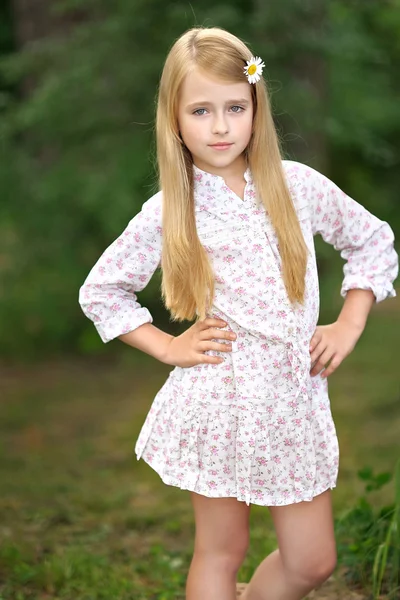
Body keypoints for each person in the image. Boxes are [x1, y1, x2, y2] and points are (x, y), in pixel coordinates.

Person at [78, 26, 398, 600]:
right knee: (220, 550)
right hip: (219, 395)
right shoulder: (170, 209)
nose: (220, 126)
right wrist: (168, 346)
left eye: (235, 107)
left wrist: (351, 320)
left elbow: (372, 240)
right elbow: (102, 291)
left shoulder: (297, 187)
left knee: (312, 561)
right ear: (174, 119)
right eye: (201, 110)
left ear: (257, 108)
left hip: (292, 399)